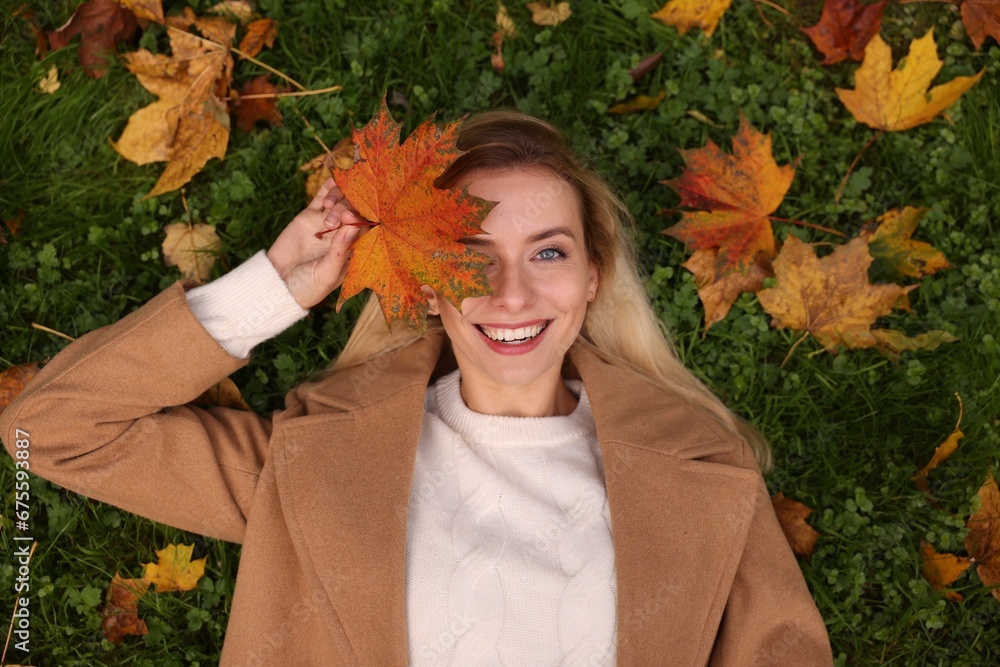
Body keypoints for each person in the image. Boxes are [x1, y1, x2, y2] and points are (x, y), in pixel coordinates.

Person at [1, 110, 833, 665]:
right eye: (471, 256)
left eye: (548, 252)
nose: (510, 294)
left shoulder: (701, 469)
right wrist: (278, 288)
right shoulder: (312, 462)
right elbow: (53, 427)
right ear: (428, 283)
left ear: (591, 277)